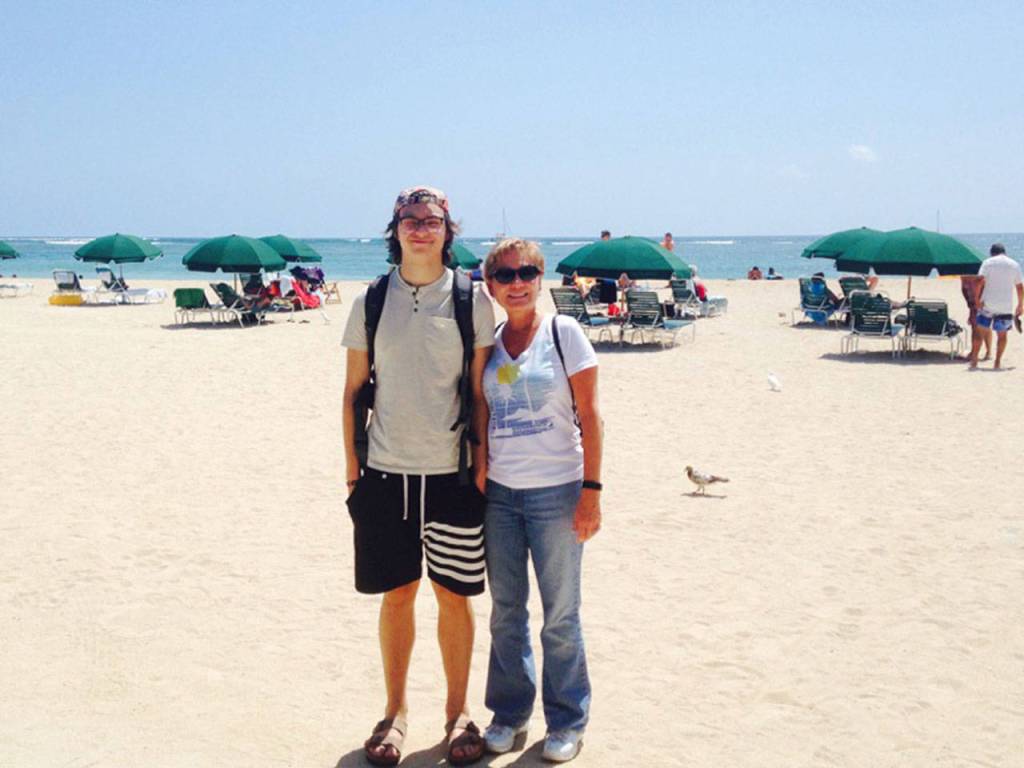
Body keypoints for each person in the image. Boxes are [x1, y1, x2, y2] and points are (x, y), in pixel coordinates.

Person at [342, 186, 496, 766]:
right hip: (383, 475)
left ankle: (458, 714)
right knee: (397, 595)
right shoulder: (371, 300)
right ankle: (395, 712)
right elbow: (355, 389)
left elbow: (479, 391)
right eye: (410, 219)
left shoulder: (471, 300)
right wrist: (352, 470)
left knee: (454, 596)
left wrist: (481, 469)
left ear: (447, 230)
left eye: (432, 220)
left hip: (452, 475)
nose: (421, 229)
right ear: (396, 228)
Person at [478, 238, 602, 763]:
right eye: (505, 276)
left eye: (527, 272)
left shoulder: (564, 332)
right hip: (501, 496)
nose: (517, 283)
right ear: (491, 286)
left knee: (560, 615)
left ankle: (567, 720)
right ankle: (509, 714)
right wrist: (481, 465)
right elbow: (479, 409)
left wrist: (591, 493)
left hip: (558, 491)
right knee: (506, 611)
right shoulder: (489, 340)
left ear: (541, 276)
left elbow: (592, 417)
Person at [969, 243, 1023, 370]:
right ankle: (997, 362)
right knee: (1002, 335)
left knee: (979, 332)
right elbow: (1020, 287)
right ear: (1005, 252)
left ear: (992, 253)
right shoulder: (1014, 264)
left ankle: (974, 360)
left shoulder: (988, 263)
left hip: (987, 304)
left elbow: (979, 281)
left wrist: (976, 300)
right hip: (1005, 306)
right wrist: (1020, 305)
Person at [960, 273, 989, 361]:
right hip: (974, 302)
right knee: (980, 327)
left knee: (978, 328)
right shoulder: (964, 276)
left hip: (980, 302)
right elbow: (964, 290)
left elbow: (980, 287)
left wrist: (975, 302)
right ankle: (982, 352)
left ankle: (975, 353)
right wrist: (970, 304)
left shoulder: (978, 275)